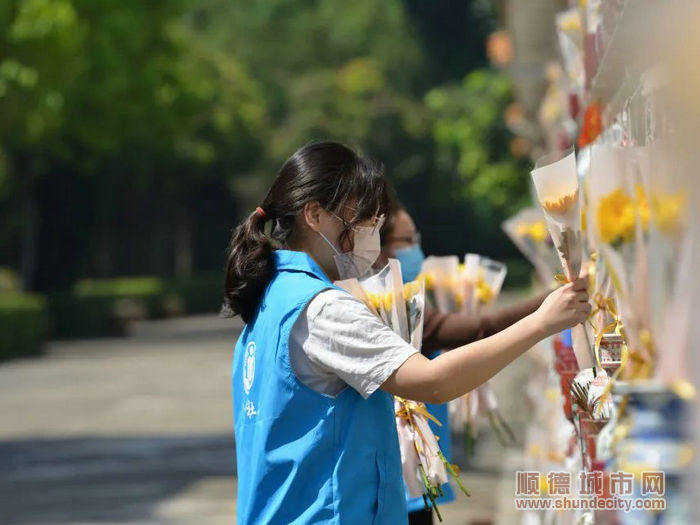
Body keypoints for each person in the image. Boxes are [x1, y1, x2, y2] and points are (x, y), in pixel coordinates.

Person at [224, 140, 590, 525]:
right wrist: (541, 323)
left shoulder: (271, 298)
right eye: (362, 218)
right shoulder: (323, 309)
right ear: (314, 214)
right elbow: (432, 382)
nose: (371, 233)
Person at [378, 201, 548, 525]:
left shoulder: (406, 301)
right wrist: (548, 309)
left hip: (416, 467)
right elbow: (479, 331)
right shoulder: (391, 311)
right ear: (381, 247)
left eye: (417, 237)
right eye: (407, 240)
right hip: (403, 474)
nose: (417, 249)